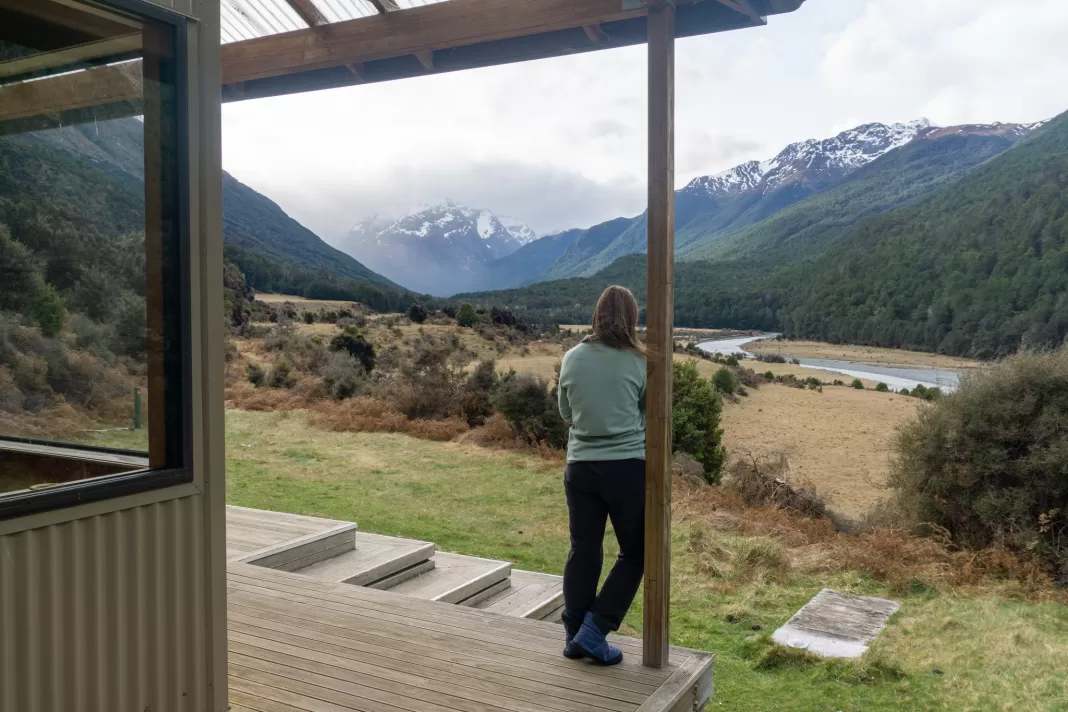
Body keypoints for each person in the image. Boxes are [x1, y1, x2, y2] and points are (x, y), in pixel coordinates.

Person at [557, 285, 646, 666]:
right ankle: (595, 631)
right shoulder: (641, 361)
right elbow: (652, 413)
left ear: (596, 315)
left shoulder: (572, 358)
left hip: (580, 468)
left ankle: (574, 633)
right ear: (632, 317)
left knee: (584, 551)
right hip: (626, 468)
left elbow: (566, 413)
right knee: (637, 553)